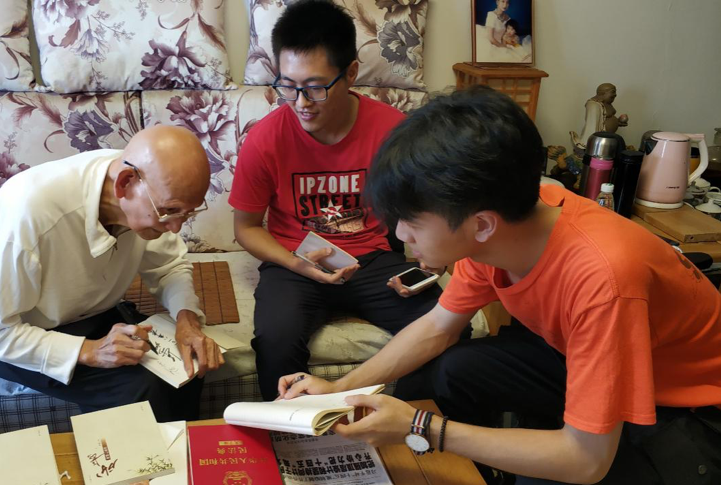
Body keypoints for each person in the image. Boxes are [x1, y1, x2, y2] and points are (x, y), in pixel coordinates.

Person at [277, 86, 721, 484]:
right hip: (582, 360)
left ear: (482, 224)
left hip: (683, 408)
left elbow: (587, 461)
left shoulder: (603, 277)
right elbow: (437, 327)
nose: (400, 234)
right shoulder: (497, 231)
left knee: (551, 473)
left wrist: (421, 427)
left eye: (411, 221)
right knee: (455, 369)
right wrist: (341, 388)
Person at [228, 0, 446, 402]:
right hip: (294, 262)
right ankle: (291, 435)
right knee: (276, 339)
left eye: (315, 87)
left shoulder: (392, 131)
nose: (301, 102)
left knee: (443, 323)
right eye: (288, 86)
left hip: (373, 259)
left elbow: (425, 211)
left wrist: (432, 260)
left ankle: (404, 424)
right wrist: (297, 263)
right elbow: (245, 228)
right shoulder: (265, 138)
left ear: (351, 74)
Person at [0, 125, 225, 421]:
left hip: (93, 314)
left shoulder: (147, 183)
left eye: (188, 213)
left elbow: (169, 266)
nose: (175, 227)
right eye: (169, 212)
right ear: (124, 184)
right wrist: (89, 351)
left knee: (188, 371)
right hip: (14, 334)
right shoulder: (31, 214)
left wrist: (187, 319)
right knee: (139, 391)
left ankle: (193, 450)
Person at [571, 83, 629, 154]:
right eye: (613, 92)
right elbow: (592, 124)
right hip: (599, 142)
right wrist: (593, 142)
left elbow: (604, 119)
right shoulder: (593, 104)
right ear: (602, 93)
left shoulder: (607, 103)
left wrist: (617, 122)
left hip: (607, 139)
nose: (615, 95)